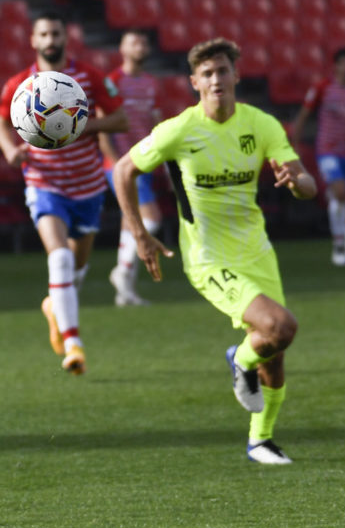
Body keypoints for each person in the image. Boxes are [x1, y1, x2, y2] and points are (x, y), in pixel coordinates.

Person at [112, 38, 317, 464]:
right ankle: (237, 360)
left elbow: (307, 185)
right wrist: (139, 234)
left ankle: (260, 441)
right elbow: (123, 170)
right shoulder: (179, 130)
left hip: (257, 252)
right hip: (209, 258)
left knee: (274, 352)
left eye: (223, 70)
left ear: (236, 75)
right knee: (281, 328)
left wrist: (296, 183)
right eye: (207, 73)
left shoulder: (261, 125)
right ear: (194, 83)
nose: (216, 79)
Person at [0, 10, 128, 374]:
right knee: (60, 259)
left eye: (56, 33)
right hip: (44, 183)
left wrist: (77, 126)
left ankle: (55, 305)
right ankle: (73, 343)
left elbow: (121, 119)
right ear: (33, 40)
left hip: (87, 186)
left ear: (65, 37)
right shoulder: (20, 84)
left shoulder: (90, 76)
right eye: (44, 34)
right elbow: (1, 123)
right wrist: (10, 150)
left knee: (78, 265)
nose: (50, 40)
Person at [291, 47, 345, 267]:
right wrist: (294, 144)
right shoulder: (323, 88)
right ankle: (338, 247)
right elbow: (303, 115)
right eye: (344, 63)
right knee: (340, 192)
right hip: (327, 149)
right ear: (336, 65)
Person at [100, 29, 165, 306]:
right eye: (134, 42)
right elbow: (103, 125)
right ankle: (122, 272)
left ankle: (125, 292)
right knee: (151, 218)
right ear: (122, 49)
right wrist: (115, 162)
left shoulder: (151, 83)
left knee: (131, 220)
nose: (140, 46)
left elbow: (157, 123)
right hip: (122, 163)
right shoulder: (113, 82)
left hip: (144, 160)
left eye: (144, 41)